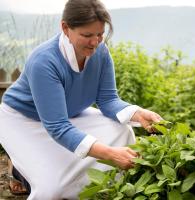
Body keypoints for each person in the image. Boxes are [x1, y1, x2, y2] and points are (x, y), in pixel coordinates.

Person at [0, 0, 162, 199]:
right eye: (87, 35)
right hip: (22, 119)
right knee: (52, 189)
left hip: (67, 112)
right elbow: (58, 127)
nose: (95, 42)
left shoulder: (100, 52)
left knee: (122, 130)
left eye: (100, 34)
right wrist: (110, 154)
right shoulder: (44, 61)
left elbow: (108, 99)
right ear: (65, 28)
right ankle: (19, 169)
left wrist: (138, 113)